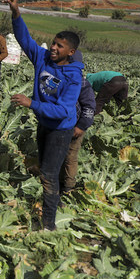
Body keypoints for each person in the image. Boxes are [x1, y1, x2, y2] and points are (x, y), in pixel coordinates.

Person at [4, 0, 83, 231]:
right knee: (46, 169)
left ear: (70, 52)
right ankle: (51, 207)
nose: (53, 48)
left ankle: (49, 225)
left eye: (60, 46)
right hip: (44, 124)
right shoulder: (43, 59)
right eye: (54, 43)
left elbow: (62, 111)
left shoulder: (74, 76)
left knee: (49, 175)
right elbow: (25, 39)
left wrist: (32, 103)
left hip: (61, 129)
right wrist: (16, 12)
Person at [60, 50, 96, 197]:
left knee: (70, 157)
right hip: (58, 125)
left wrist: (81, 126)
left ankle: (68, 187)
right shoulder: (58, 78)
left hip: (74, 126)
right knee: (56, 155)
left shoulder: (82, 83)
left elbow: (89, 107)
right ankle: (55, 181)